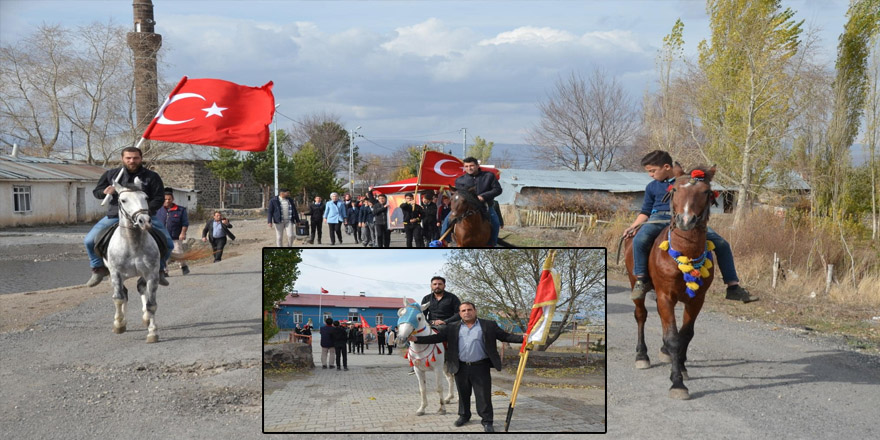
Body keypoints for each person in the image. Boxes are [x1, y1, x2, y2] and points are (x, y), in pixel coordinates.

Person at [623, 150, 758, 303]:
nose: (651, 175)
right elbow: (645, 211)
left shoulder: (687, 183)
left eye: (653, 171)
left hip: (687, 220)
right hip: (658, 218)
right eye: (649, 172)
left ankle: (733, 286)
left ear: (667, 167)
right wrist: (633, 226)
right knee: (640, 239)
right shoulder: (652, 187)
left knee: (722, 244)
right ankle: (641, 280)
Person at [411, 302, 522, 433]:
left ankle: (487, 421)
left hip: (480, 366)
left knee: (483, 396)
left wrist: (523, 338)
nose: (466, 312)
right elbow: (437, 338)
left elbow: (505, 336)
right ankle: (464, 416)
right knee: (463, 395)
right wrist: (416, 339)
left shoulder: (488, 325)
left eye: (469, 309)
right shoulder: (452, 327)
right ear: (460, 313)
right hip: (460, 367)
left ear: (475, 311)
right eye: (463, 310)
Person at [84, 146, 173, 287]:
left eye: (136, 158)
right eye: (129, 158)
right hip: (116, 215)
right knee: (89, 241)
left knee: (169, 243)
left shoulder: (152, 177)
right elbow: (97, 191)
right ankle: (98, 269)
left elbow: (159, 198)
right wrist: (105, 192)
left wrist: (144, 212)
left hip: (145, 215)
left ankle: (160, 269)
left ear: (141, 158)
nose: (132, 161)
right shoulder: (111, 175)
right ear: (122, 159)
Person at [439, 157, 503, 246]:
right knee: (447, 220)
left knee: (495, 222)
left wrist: (483, 196)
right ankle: (443, 241)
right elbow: (459, 194)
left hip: (485, 205)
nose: (469, 168)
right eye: (466, 166)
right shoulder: (460, 180)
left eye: (472, 166)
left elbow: (498, 189)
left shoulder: (489, 176)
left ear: (477, 166)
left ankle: (491, 244)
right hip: (464, 207)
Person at [155, 188, 189, 276]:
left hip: (175, 237)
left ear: (173, 199)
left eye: (169, 199)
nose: (167, 201)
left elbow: (185, 223)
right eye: (165, 199)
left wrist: (183, 233)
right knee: (163, 254)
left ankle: (183, 266)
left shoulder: (180, 210)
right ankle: (165, 271)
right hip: (162, 237)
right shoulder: (158, 210)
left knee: (178, 252)